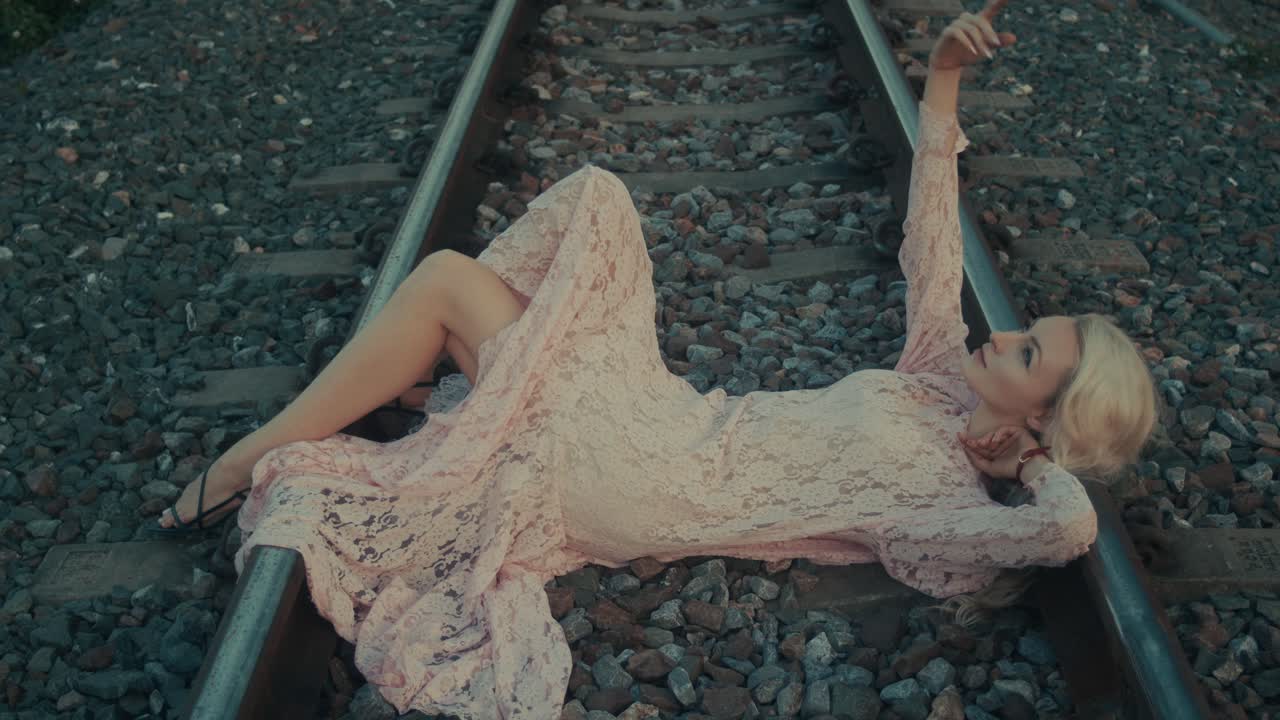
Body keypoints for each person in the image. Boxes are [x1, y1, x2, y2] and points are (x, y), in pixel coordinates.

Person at [144, 1, 1157, 716]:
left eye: (1025, 352)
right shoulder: (938, 378)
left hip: (640, 476)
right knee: (597, 200)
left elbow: (1065, 529)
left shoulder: (952, 512)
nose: (1001, 332)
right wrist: (938, 77)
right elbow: (929, 240)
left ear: (1040, 421)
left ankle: (254, 455)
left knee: (453, 284)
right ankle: (457, 378)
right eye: (1027, 330)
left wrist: (1031, 463)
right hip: (664, 416)